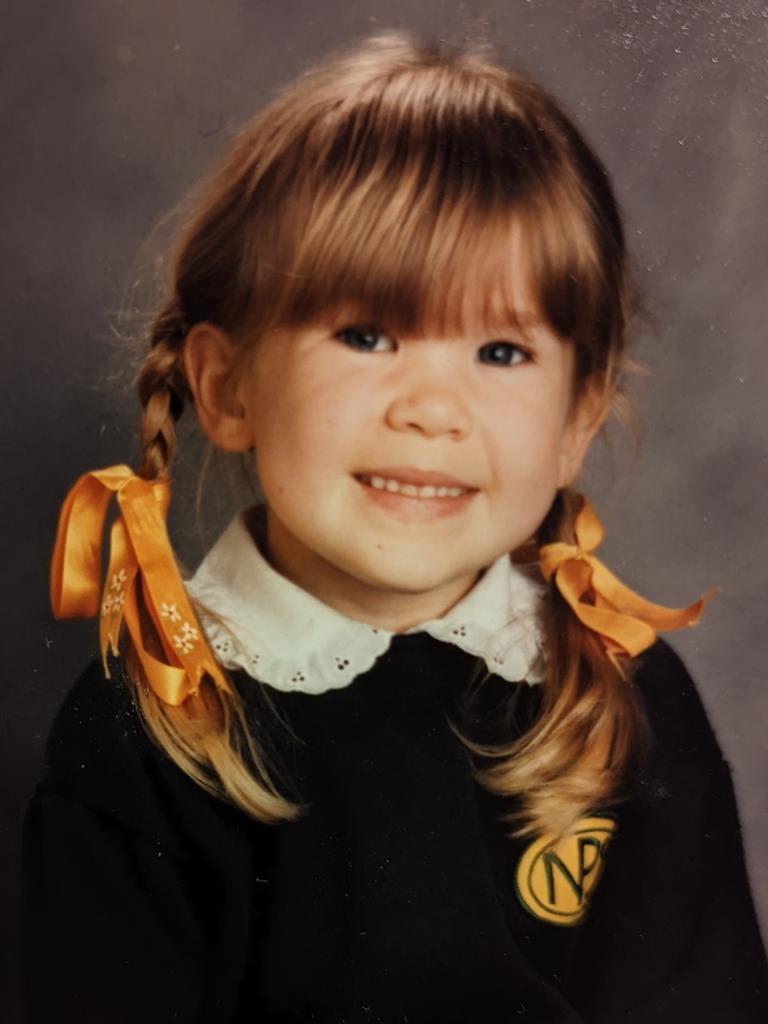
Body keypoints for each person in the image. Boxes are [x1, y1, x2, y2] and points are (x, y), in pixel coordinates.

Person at [23, 29, 768, 1024]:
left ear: (577, 422)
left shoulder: (622, 694)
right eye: (368, 335)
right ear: (227, 385)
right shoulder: (143, 725)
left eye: (501, 351)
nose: (433, 407)